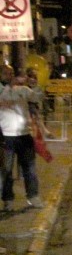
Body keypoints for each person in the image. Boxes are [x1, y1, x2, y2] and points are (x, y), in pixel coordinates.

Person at [0, 72, 42, 211]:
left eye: (12, 73)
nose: (10, 76)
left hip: (24, 135)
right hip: (6, 136)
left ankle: (33, 197)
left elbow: (37, 97)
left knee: (29, 168)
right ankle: (8, 200)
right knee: (6, 170)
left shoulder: (23, 90)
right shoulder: (1, 90)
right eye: (7, 73)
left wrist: (34, 85)